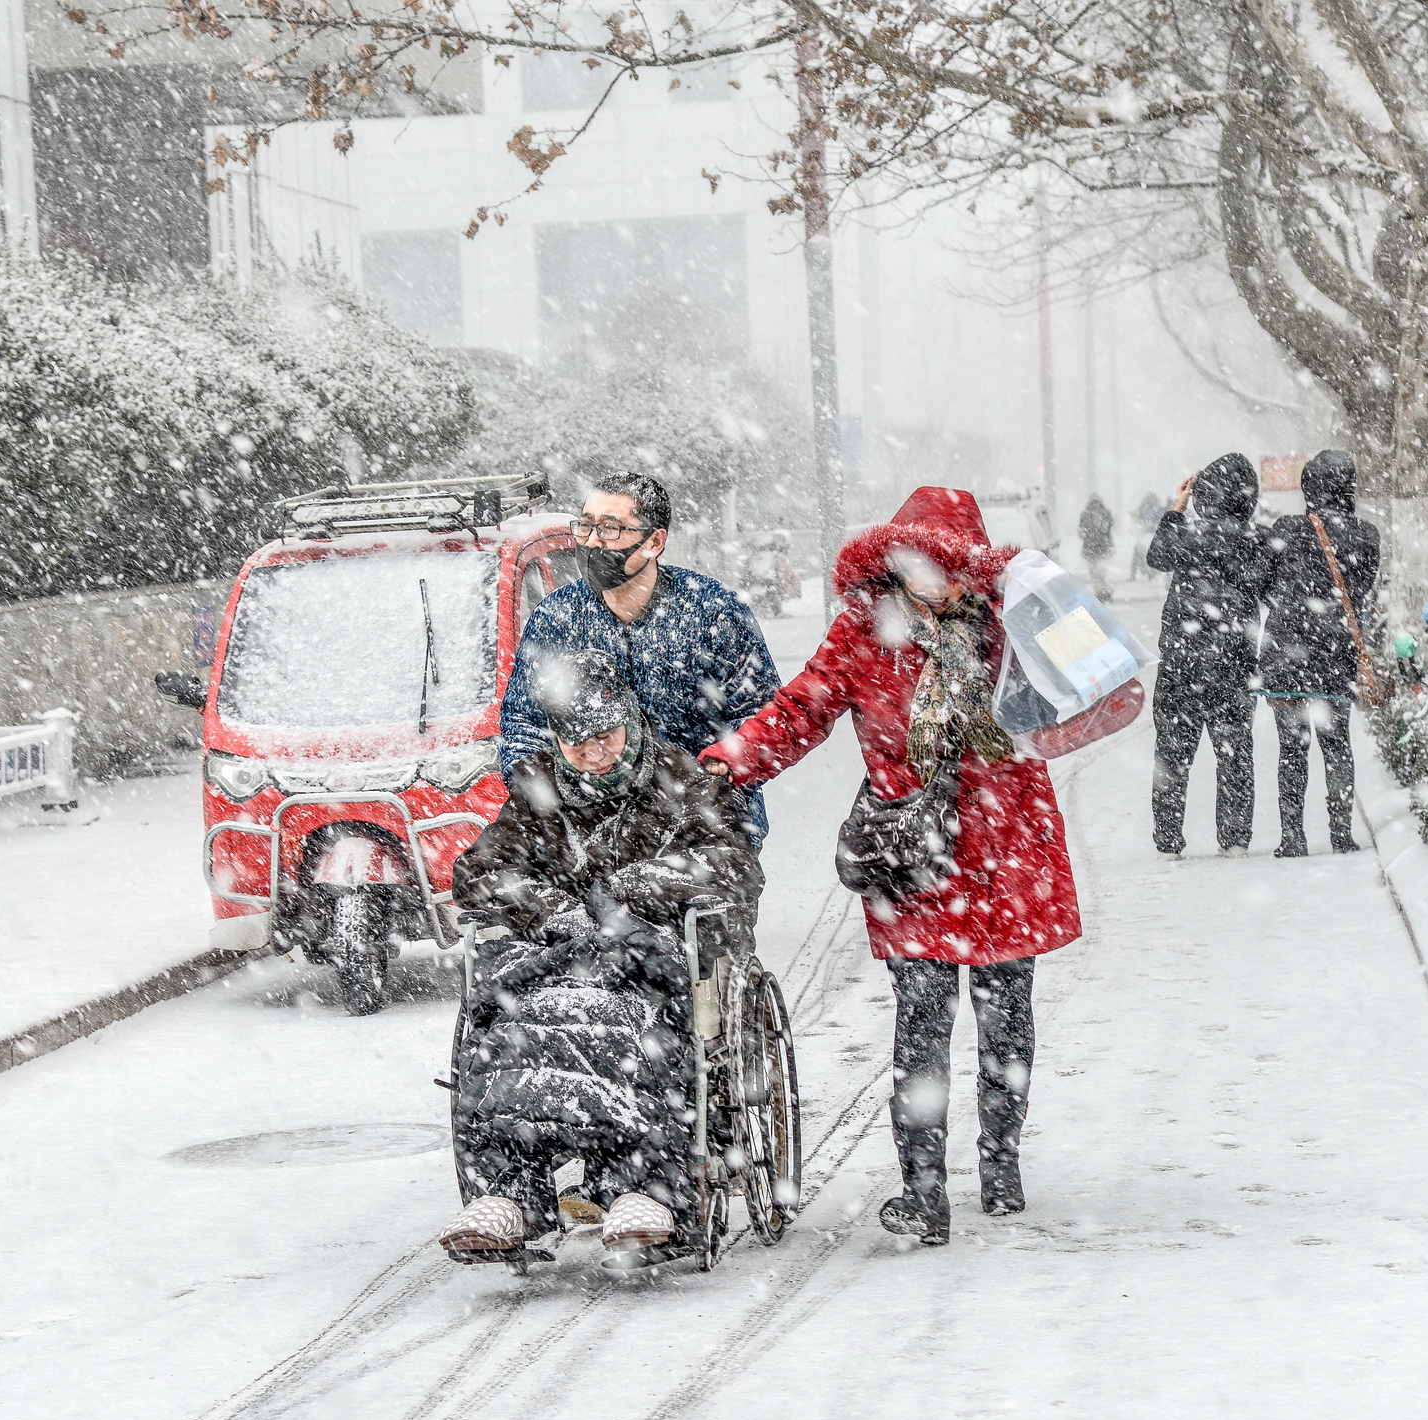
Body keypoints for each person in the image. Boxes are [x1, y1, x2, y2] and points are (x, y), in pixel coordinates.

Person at [699, 486, 1080, 1247]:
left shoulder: (1013, 620)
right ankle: (925, 1192)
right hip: (915, 856)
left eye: (942, 564)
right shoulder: (865, 632)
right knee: (921, 1031)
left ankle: (1000, 1164)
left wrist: (1052, 607)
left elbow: (1083, 683)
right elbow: (801, 709)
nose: (927, 577)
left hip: (1009, 851)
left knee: (1007, 1025)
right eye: (913, 562)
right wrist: (726, 763)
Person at [442, 650, 763, 1263]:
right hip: (553, 962)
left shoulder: (681, 779)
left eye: (604, 736)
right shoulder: (538, 789)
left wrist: (644, 888)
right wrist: (547, 908)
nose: (592, 754)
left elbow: (734, 864)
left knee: (630, 1033)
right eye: (575, 742)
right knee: (508, 1029)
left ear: (629, 719)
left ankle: (645, 1187)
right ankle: (513, 1193)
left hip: (648, 963)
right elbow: (480, 872)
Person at [502, 472, 781, 844]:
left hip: (707, 830)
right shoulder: (558, 617)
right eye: (585, 526)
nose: (592, 541)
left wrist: (718, 778)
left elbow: (764, 714)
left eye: (611, 528)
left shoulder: (713, 612)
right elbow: (524, 717)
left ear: (654, 541)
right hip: (592, 831)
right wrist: (534, 783)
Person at [1257, 449, 1380, 857]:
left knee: (1291, 749)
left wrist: (1291, 605)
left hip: (1286, 654)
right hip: (1335, 651)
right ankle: (1341, 834)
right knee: (1337, 744)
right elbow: (1360, 591)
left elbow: (1262, 583)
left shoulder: (1286, 528)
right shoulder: (1365, 534)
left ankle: (1292, 838)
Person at [1147, 453, 1270, 858]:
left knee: (1172, 756)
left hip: (1181, 663)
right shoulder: (1259, 543)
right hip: (1234, 666)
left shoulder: (1188, 536)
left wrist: (1176, 508)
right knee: (1234, 755)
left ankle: (1168, 841)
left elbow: (1157, 556)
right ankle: (1235, 841)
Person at [1079, 495, 1116, 600]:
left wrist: (1100, 522)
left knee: (1100, 571)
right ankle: (1099, 591)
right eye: (1093, 507)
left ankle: (1106, 590)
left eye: (1097, 507)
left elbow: (1106, 530)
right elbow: (1081, 531)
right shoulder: (1084, 516)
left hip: (1103, 547)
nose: (1095, 510)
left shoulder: (1106, 515)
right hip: (1089, 548)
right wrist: (1083, 531)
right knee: (1093, 572)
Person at [1129, 492, 1168, 581]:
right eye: (1149, 499)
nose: (1150, 501)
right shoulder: (1143, 508)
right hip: (1144, 535)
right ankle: (1133, 574)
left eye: (1152, 499)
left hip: (1155, 535)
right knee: (1137, 553)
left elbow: (1159, 520)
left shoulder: (1159, 509)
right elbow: (1136, 518)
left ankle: (1152, 571)